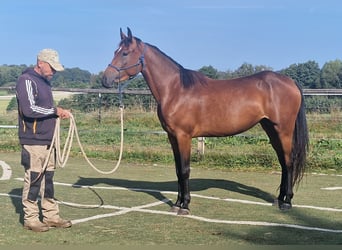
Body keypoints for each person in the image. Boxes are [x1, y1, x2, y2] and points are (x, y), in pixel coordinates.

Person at [16, 48, 72, 232]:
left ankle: (50, 216)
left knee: (48, 179)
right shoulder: (26, 80)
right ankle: (31, 218)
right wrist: (55, 111)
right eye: (52, 68)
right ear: (41, 63)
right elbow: (29, 109)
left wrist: (56, 111)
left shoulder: (44, 82)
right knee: (34, 178)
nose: (54, 72)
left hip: (47, 139)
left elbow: (44, 108)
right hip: (33, 140)